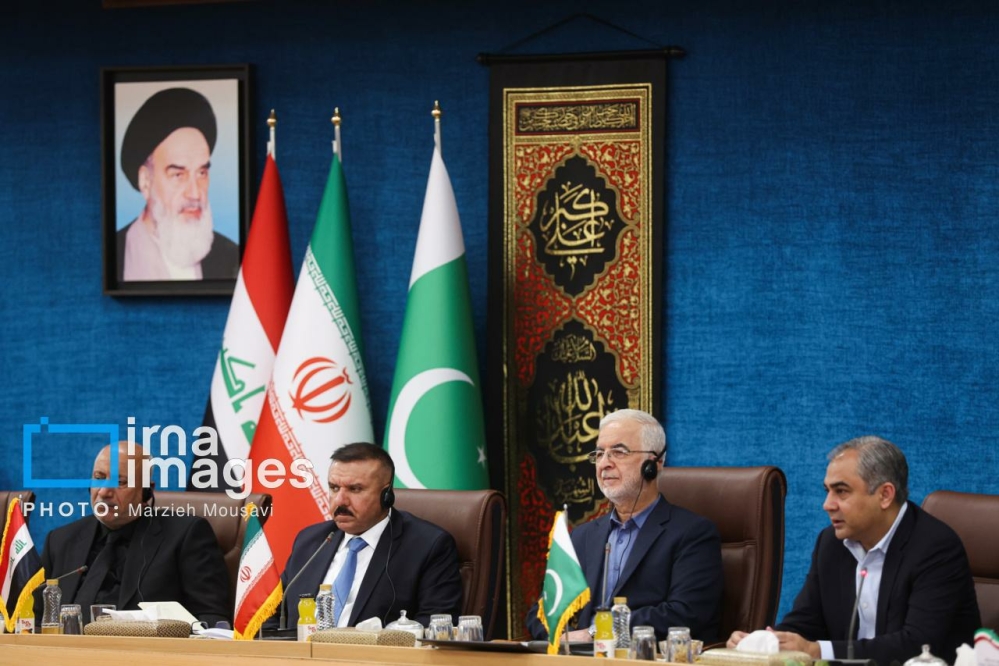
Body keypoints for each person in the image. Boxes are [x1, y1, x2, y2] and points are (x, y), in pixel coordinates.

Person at [727, 436, 980, 665]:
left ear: (885, 495)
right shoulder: (831, 543)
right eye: (827, 491)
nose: (827, 505)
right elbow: (805, 622)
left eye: (841, 491)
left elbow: (917, 645)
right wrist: (764, 642)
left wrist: (817, 651)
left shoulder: (935, 548)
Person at [526, 409, 723, 642]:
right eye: (599, 453)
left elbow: (685, 614)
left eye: (618, 452)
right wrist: (564, 637)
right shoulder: (582, 536)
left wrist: (596, 632)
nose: (604, 464)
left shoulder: (693, 534)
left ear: (655, 463)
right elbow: (541, 614)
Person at [35, 442, 230, 625]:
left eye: (120, 482)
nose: (103, 492)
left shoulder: (186, 535)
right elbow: (36, 617)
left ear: (146, 492)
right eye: (99, 478)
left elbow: (212, 618)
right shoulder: (61, 541)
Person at [276, 442, 462, 628]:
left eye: (355, 489)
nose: (340, 500)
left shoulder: (427, 546)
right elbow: (272, 615)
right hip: (299, 648)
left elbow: (435, 625)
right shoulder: (311, 540)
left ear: (386, 495)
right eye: (334, 488)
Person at [116, 87, 238, 282]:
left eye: (201, 173)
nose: (195, 193)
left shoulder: (231, 258)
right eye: (178, 175)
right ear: (145, 181)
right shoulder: (117, 255)